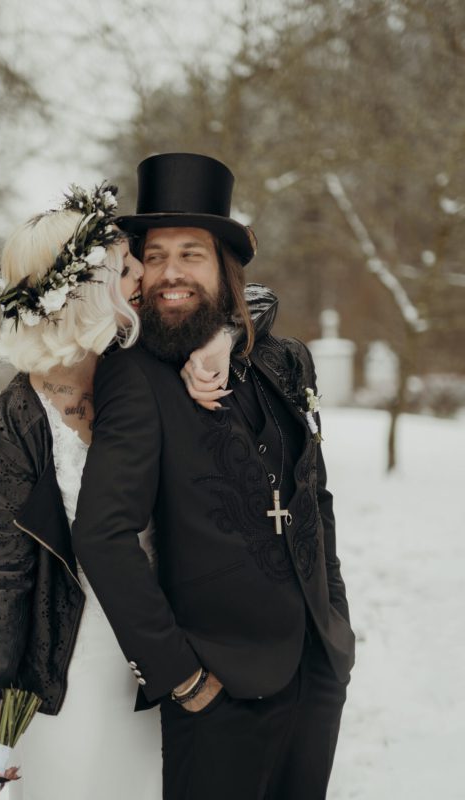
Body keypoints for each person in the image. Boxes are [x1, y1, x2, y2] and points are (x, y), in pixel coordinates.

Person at [0, 183, 271, 799]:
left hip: (173, 647)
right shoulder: (17, 420)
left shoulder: (155, 361)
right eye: (127, 268)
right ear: (82, 289)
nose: (144, 281)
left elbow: (255, 299)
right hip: (71, 666)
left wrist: (221, 338)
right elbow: (5, 577)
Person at [72, 153, 356, 800]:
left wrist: (336, 620)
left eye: (192, 254)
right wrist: (181, 675)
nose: (172, 272)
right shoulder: (134, 374)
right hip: (217, 686)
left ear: (224, 267)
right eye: (158, 254)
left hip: (318, 666)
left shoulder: (288, 361)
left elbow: (318, 496)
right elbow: (103, 532)